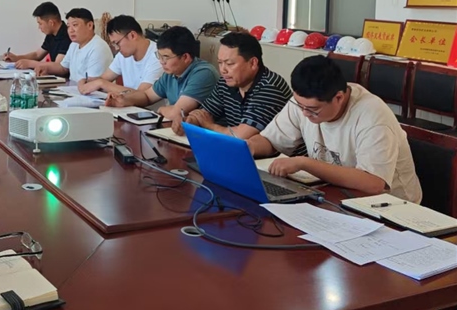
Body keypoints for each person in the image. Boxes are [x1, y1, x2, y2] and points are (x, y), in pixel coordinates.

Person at [247, 56, 422, 202]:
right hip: (337, 194)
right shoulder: (305, 102)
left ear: (339, 97)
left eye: (313, 109)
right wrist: (249, 146)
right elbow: (271, 140)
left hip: (391, 207)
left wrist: (304, 163)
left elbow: (373, 183)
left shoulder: (373, 115)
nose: (304, 113)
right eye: (299, 105)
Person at [178, 32, 292, 137]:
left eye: (229, 64)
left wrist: (210, 126)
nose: (223, 70)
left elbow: (242, 135)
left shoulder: (269, 87)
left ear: (253, 63)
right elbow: (204, 114)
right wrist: (189, 121)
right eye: (220, 63)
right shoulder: (226, 82)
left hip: (274, 152)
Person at [105, 26, 217, 125]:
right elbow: (147, 96)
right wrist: (123, 99)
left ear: (185, 57)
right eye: (159, 56)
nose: (161, 62)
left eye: (166, 57)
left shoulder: (203, 73)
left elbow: (176, 113)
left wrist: (161, 109)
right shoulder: (170, 73)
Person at [77, 15, 162, 96]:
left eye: (117, 43)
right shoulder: (123, 55)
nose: (116, 48)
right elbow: (104, 78)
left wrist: (101, 83)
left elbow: (142, 95)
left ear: (132, 35)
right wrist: (86, 82)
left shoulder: (159, 57)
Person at [35, 8, 113, 82]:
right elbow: (63, 68)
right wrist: (46, 68)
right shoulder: (74, 45)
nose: (70, 30)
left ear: (90, 25)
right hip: (74, 89)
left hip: (90, 91)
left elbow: (93, 83)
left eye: (75, 25)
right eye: (68, 26)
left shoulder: (98, 48)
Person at [2, 1, 71, 69]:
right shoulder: (51, 34)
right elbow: (37, 55)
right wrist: (17, 58)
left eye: (40, 24)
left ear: (51, 23)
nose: (39, 27)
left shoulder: (67, 36)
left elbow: (58, 66)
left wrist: (30, 63)